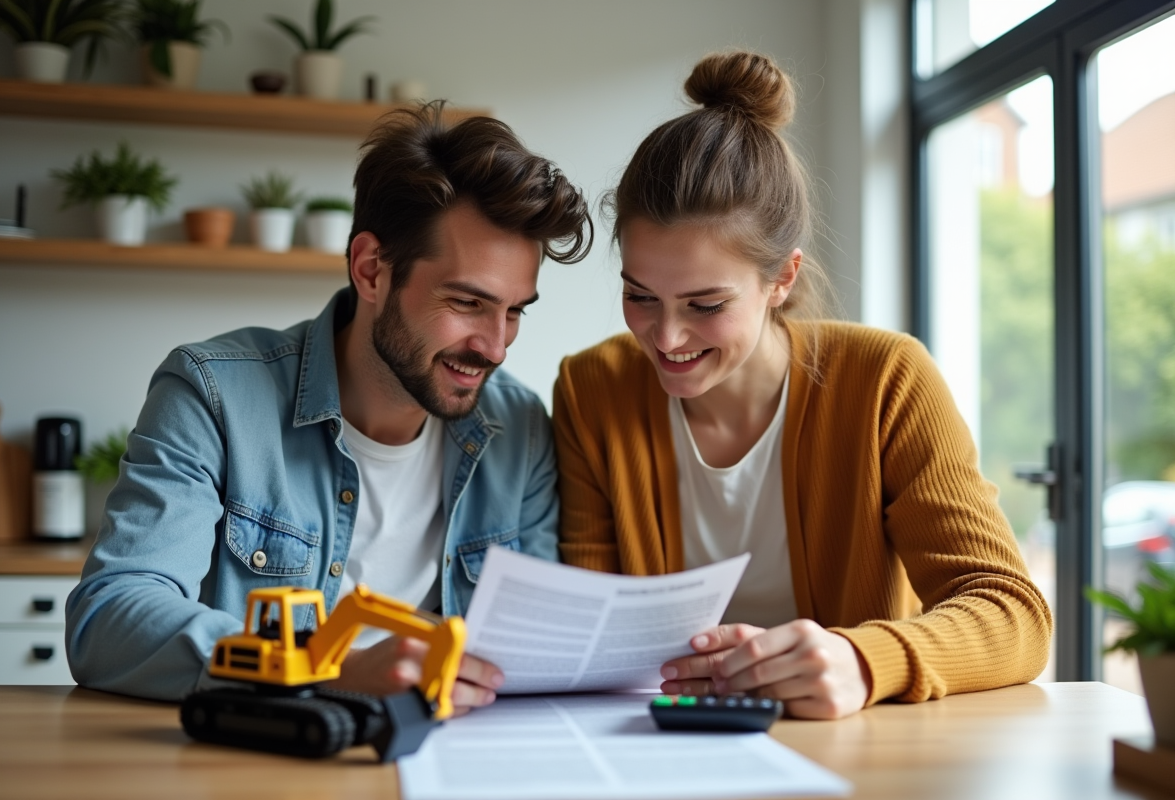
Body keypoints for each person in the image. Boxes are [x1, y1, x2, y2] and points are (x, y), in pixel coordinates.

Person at [552, 52, 1052, 720]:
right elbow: (595, 631)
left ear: (781, 279)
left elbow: (1013, 612)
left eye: (705, 305)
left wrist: (861, 660)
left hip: (854, 751)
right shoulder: (592, 389)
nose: (665, 338)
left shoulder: (886, 381)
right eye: (640, 296)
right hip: (663, 745)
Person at [67, 102, 592, 710]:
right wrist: (323, 670)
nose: (496, 347)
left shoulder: (519, 429)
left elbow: (534, 644)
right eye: (467, 303)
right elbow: (109, 619)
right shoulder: (214, 396)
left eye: (515, 311)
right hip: (259, 752)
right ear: (371, 270)